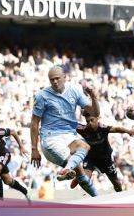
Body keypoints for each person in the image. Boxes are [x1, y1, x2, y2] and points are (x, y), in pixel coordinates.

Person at [30, 66, 99, 197]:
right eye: (52, 80)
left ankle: (97, 198)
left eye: (57, 78)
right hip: (50, 138)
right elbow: (34, 123)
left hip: (69, 136)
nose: (55, 82)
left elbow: (95, 113)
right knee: (77, 168)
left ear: (64, 77)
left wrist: (94, 98)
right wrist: (34, 148)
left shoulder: (74, 91)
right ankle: (68, 170)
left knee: (85, 149)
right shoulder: (42, 96)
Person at [70, 109, 134, 192]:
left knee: (116, 183)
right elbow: (69, 124)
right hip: (91, 158)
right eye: (87, 121)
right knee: (85, 180)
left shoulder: (102, 128)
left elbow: (116, 129)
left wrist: (129, 131)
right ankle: (80, 176)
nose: (90, 123)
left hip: (106, 159)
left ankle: (120, 197)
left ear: (97, 119)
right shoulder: (83, 129)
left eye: (92, 120)